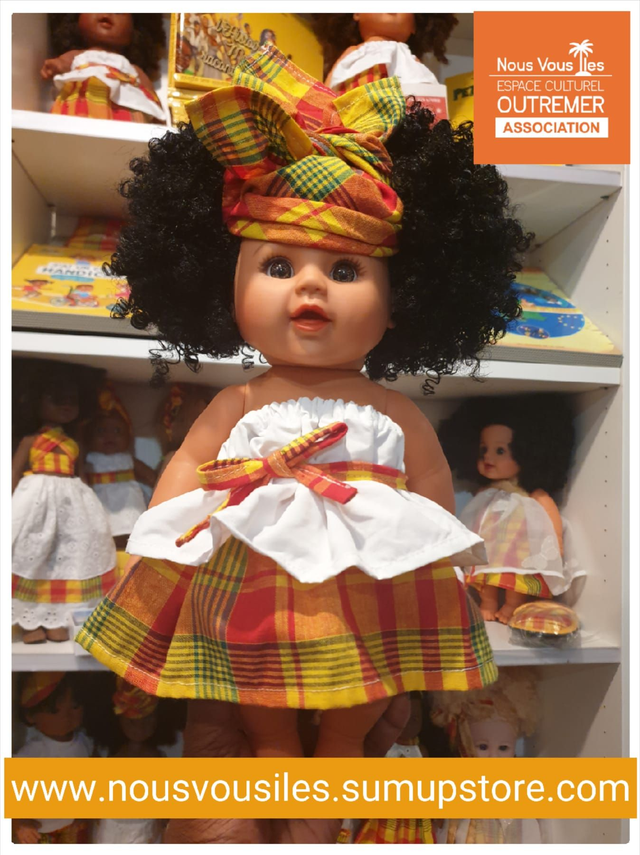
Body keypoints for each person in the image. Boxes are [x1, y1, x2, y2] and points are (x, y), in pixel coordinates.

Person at [76, 44, 530, 825]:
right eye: (278, 266)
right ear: (227, 289)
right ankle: (273, 743)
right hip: (255, 570)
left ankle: (342, 743)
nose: (311, 284)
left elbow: (431, 484)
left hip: (371, 577)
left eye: (346, 272)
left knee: (369, 672)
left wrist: (444, 555)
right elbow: (191, 459)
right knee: (252, 671)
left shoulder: (392, 410)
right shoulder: (242, 398)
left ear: (401, 301)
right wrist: (158, 533)